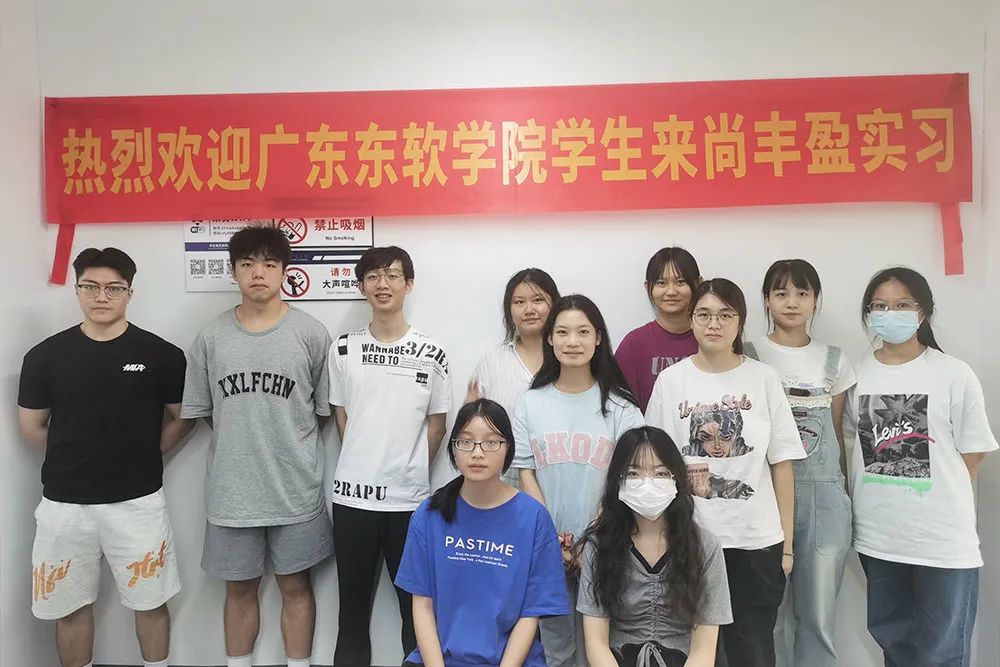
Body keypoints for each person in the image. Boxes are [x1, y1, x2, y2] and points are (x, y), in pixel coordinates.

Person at [18, 247, 191, 667]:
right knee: (69, 606)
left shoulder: (161, 355)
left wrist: (148, 451)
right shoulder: (44, 356)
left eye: (113, 288)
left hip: (138, 503)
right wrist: (78, 457)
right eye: (90, 286)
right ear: (77, 290)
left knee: (150, 602)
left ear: (130, 292)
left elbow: (184, 416)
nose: (101, 296)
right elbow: (32, 426)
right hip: (65, 505)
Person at [181, 226, 333, 667]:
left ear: (285, 271)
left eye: (269, 264)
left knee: (296, 586)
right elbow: (205, 411)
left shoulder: (311, 333)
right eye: (247, 264)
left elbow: (322, 410)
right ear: (234, 272)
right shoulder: (210, 337)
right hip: (232, 495)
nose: (258, 273)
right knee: (239, 589)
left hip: (296, 491)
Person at [645, 278, 804, 667]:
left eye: (725, 315)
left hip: (756, 541)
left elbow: (782, 463)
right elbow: (655, 466)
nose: (713, 324)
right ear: (691, 320)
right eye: (704, 314)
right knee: (698, 650)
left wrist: (786, 545)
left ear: (740, 322)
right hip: (691, 540)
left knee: (754, 648)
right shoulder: (671, 381)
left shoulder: (763, 378)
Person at [847, 267, 996, 667]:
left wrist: (935, 496)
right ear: (868, 313)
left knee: (941, 654)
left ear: (923, 312)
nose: (889, 313)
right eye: (880, 306)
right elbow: (849, 447)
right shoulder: (856, 374)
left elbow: (974, 451)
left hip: (941, 542)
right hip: (879, 539)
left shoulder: (953, 373)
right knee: (895, 646)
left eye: (902, 305)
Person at [329, 245, 452, 667]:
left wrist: (410, 470)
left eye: (393, 275)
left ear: (408, 284)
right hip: (352, 501)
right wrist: (366, 457)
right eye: (373, 276)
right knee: (351, 612)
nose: (383, 284)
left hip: (409, 503)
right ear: (362, 286)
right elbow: (341, 416)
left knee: (415, 610)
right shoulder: (343, 349)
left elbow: (437, 424)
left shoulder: (432, 352)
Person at [513, 294, 645, 667]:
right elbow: (525, 473)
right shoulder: (530, 403)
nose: (572, 341)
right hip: (547, 548)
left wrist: (592, 540)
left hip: (606, 546)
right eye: (563, 332)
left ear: (598, 338)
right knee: (556, 648)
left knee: (600, 648)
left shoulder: (623, 408)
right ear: (549, 338)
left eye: (583, 332)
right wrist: (550, 541)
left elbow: (628, 481)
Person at [394, 399, 570, 667]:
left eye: (491, 442)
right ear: (453, 449)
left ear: (508, 449)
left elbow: (530, 615)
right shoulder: (429, 515)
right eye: (466, 442)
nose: (477, 453)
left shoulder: (534, 518)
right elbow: (422, 605)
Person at [742, 260, 855, 667]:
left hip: (825, 499)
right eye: (781, 293)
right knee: (765, 616)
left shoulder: (836, 360)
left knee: (818, 618)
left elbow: (839, 435)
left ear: (815, 300)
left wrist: (845, 497)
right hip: (764, 498)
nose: (791, 302)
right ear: (766, 300)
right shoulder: (747, 355)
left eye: (802, 293)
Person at [578, 426, 732, 667]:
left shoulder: (706, 547)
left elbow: (704, 648)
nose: (647, 483)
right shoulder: (599, 546)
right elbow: (596, 643)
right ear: (617, 481)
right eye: (634, 473)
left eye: (660, 473)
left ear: (677, 479)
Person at [467, 268, 561, 485]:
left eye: (538, 300)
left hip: (557, 477)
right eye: (519, 302)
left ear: (554, 304)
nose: (529, 309)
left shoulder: (567, 357)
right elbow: (472, 422)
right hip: (501, 480)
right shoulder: (493, 360)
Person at [615, 248, 702, 412]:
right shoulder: (634, 344)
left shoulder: (711, 338)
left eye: (680, 282)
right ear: (648, 287)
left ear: (698, 283)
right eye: (661, 283)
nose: (671, 291)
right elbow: (621, 409)